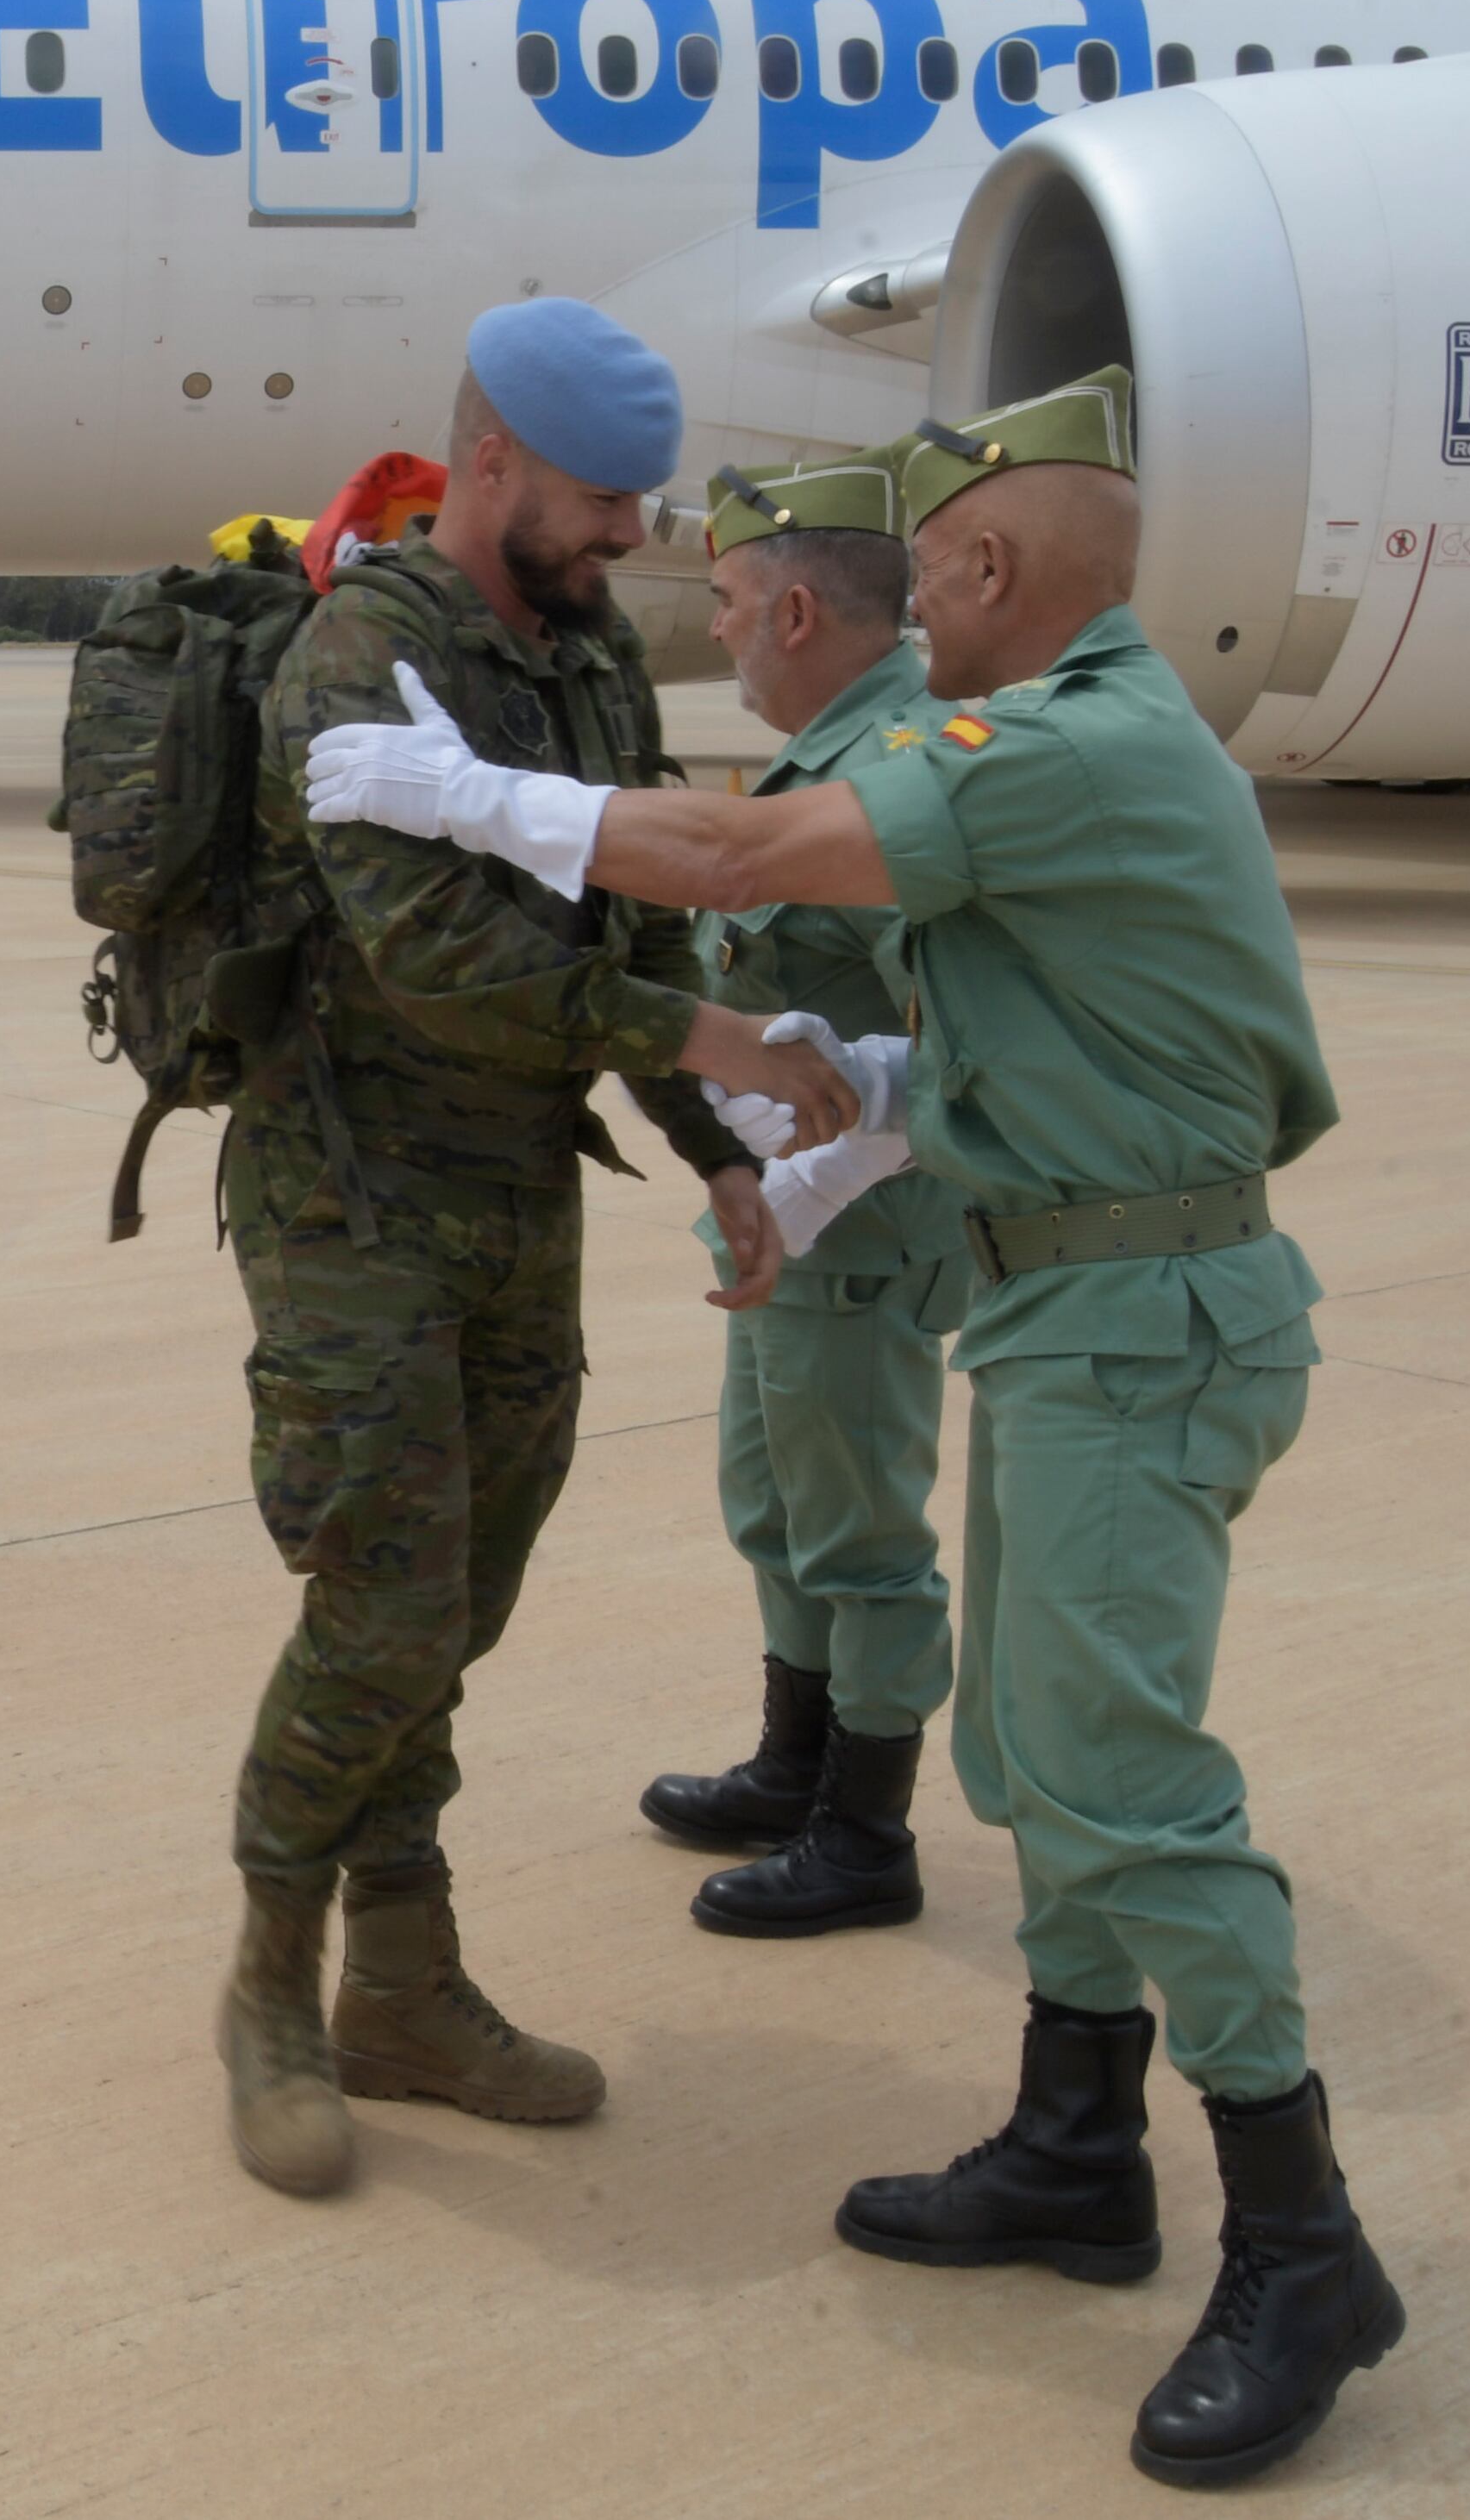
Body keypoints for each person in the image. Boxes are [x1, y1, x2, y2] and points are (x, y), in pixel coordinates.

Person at [301, 367, 1396, 2488]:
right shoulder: (1076, 743)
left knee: (1126, 1784)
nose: (905, 625)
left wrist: (442, 793)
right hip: (1081, 1289)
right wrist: (855, 1104)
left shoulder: (1055, 744)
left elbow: (721, 840)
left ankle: (1306, 2243)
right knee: (1035, 1759)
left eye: (932, 581)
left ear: (982, 568)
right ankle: (1078, 2146)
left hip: (1136, 1318)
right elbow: (1047, 1041)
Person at [191, 299, 859, 2205]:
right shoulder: (358, 655)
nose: (630, 534)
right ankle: (270, 1992)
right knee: (382, 1606)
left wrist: (713, 1147)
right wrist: (713, 1050)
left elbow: (630, 929)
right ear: (488, 463)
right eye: (597, 497)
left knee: (456, 1603)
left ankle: (403, 1986)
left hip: (511, 1193)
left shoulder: (578, 664)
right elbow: (437, 949)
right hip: (345, 1199)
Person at [632, 456, 967, 1939]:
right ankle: (794, 1764)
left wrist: (836, 1166)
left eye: (725, 602)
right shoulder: (828, 752)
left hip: (859, 1231)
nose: (716, 631)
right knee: (776, 1509)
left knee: (862, 1534)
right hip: (782, 1223)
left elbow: (962, 1029)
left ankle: (866, 1828)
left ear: (798, 606)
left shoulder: (898, 766)